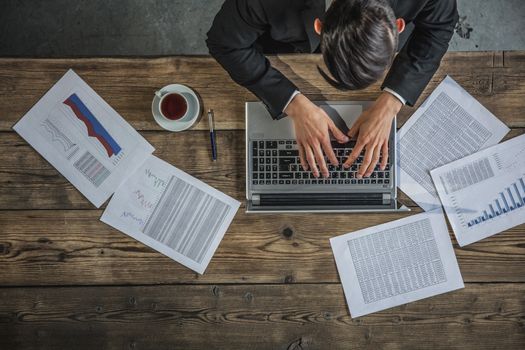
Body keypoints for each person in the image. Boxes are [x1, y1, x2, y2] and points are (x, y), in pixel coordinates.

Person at [206, 0, 458, 178]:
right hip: (285, 42)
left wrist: (392, 99)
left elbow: (440, 26)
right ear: (320, 28)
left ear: (399, 27)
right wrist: (291, 103)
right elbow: (224, 42)